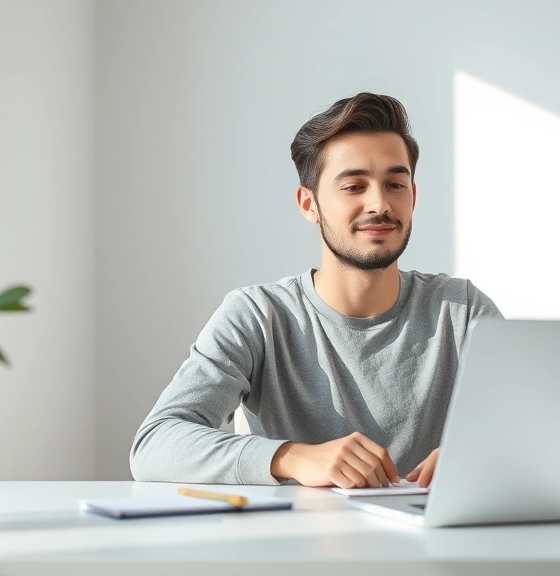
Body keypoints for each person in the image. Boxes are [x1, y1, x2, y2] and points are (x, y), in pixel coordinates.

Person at [130, 93, 501, 489]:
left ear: (413, 196)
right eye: (354, 186)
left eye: (395, 184)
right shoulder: (257, 315)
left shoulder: (462, 310)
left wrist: (484, 457)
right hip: (297, 545)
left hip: (430, 546)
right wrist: (293, 457)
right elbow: (155, 444)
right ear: (309, 204)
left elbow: (539, 429)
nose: (379, 203)